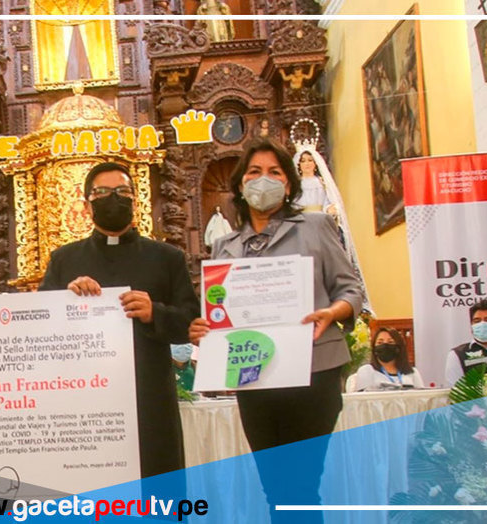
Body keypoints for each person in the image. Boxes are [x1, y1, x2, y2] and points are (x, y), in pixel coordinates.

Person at [189, 138, 362, 523]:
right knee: (274, 487)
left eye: (274, 172)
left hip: (313, 372)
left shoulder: (316, 226)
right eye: (254, 172)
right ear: (239, 185)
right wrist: (205, 328)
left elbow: (351, 289)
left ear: (288, 184)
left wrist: (332, 311)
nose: (263, 179)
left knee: (301, 486)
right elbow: (220, 311)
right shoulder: (224, 246)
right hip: (255, 377)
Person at [40, 162, 198, 479]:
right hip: (85, 402)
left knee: (157, 487)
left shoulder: (167, 257)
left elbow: (191, 324)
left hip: (149, 396)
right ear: (87, 205)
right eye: (102, 192)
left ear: (135, 201)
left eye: (122, 191)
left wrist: (155, 312)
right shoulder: (64, 260)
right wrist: (65, 301)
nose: (114, 198)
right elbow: (40, 327)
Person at [350, 327, 424, 391]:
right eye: (380, 342)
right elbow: (363, 400)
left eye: (390, 342)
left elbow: (422, 398)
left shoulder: (412, 372)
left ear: (398, 348)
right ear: (374, 348)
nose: (385, 345)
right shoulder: (366, 370)